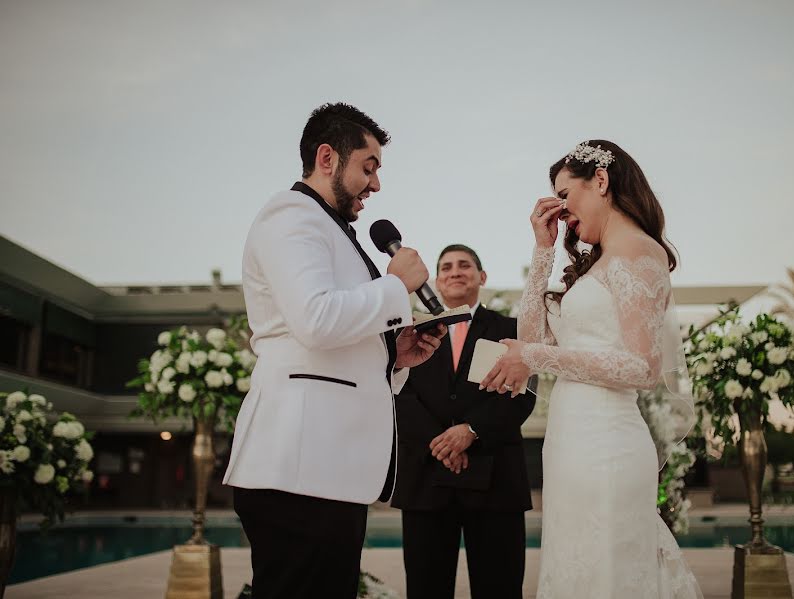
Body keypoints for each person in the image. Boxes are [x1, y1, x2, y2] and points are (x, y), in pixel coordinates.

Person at [222, 102, 446, 599]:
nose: (377, 184)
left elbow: (332, 335)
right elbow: (316, 319)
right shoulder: (291, 215)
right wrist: (394, 289)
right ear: (327, 158)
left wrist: (395, 355)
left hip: (326, 470)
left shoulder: (331, 229)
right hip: (298, 467)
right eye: (369, 167)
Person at [482, 141, 703, 598]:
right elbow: (533, 338)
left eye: (565, 194)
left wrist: (536, 358)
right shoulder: (596, 263)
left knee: (609, 574)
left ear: (600, 181)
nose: (559, 210)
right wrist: (542, 253)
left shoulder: (639, 252)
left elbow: (642, 367)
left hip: (608, 445)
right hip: (572, 441)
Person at [392, 244, 535, 599]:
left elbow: (523, 394)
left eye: (465, 265)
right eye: (446, 267)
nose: (455, 272)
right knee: (426, 588)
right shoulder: (411, 333)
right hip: (427, 479)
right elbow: (398, 393)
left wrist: (471, 432)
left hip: (495, 480)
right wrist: (441, 443)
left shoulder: (512, 330)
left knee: (499, 587)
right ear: (437, 281)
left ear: (481, 277)